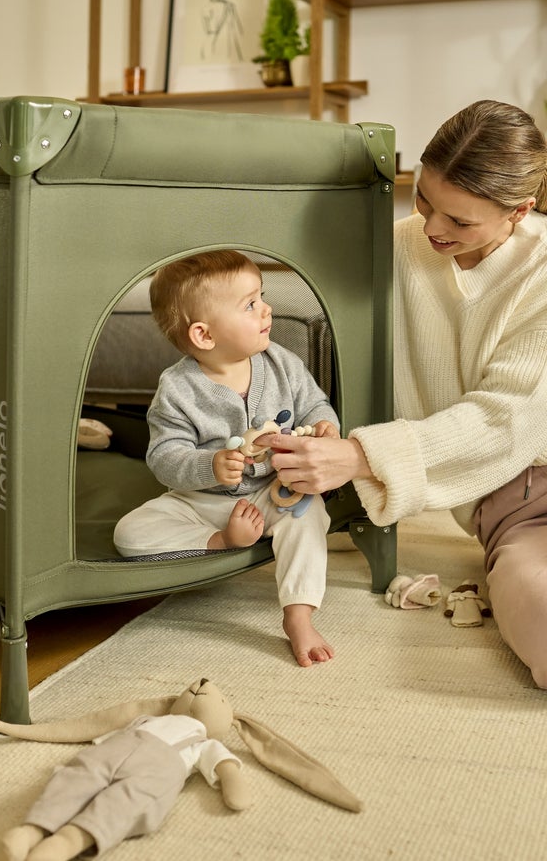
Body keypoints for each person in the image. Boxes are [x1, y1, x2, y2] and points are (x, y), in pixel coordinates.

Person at [268, 99, 547, 688]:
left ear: (520, 211)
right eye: (424, 200)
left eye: (461, 221)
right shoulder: (397, 247)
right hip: (525, 509)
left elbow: (509, 418)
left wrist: (357, 456)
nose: (434, 228)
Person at [113, 250, 340, 668]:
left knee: (310, 518)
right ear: (203, 335)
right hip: (203, 503)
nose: (266, 308)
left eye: (262, 295)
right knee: (129, 535)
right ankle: (222, 544)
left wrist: (325, 425)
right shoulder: (178, 388)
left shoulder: (281, 363)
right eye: (250, 304)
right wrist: (209, 464)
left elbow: (314, 405)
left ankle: (298, 616)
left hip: (274, 493)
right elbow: (163, 456)